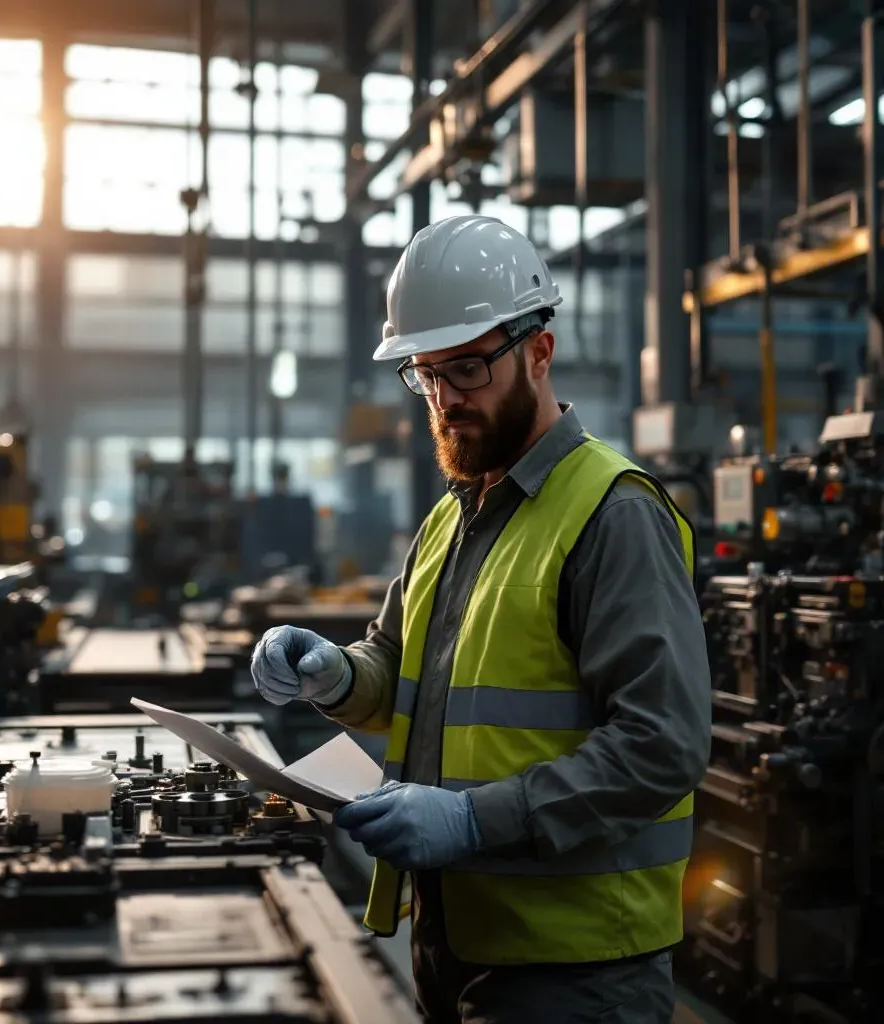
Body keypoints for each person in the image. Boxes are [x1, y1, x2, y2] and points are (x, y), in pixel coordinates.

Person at [250, 215, 712, 1024]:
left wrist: (472, 820)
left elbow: (662, 744)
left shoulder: (613, 513)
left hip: (575, 968)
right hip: (454, 938)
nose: (447, 400)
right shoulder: (453, 515)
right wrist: (334, 674)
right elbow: (398, 671)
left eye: (467, 368)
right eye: (426, 375)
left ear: (540, 350)